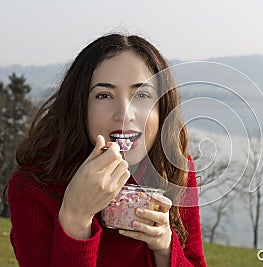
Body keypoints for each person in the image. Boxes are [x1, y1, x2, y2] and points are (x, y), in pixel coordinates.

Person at [4, 33, 206, 267]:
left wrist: (165, 248)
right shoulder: (33, 186)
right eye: (104, 95)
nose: (124, 114)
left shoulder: (174, 168)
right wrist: (75, 218)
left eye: (141, 95)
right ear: (80, 106)